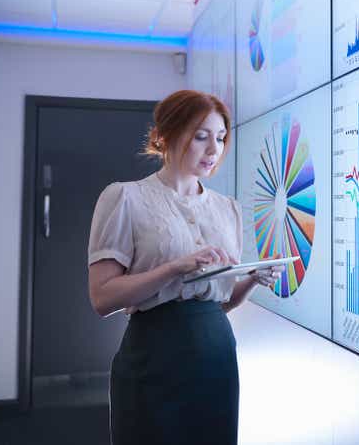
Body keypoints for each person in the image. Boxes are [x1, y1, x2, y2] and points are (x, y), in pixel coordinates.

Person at [87, 89, 283, 445]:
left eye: (221, 138)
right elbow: (102, 298)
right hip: (154, 355)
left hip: (216, 355)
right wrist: (174, 268)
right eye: (201, 136)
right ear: (166, 136)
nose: (214, 150)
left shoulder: (228, 210)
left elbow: (219, 300)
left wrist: (252, 279)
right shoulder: (125, 198)